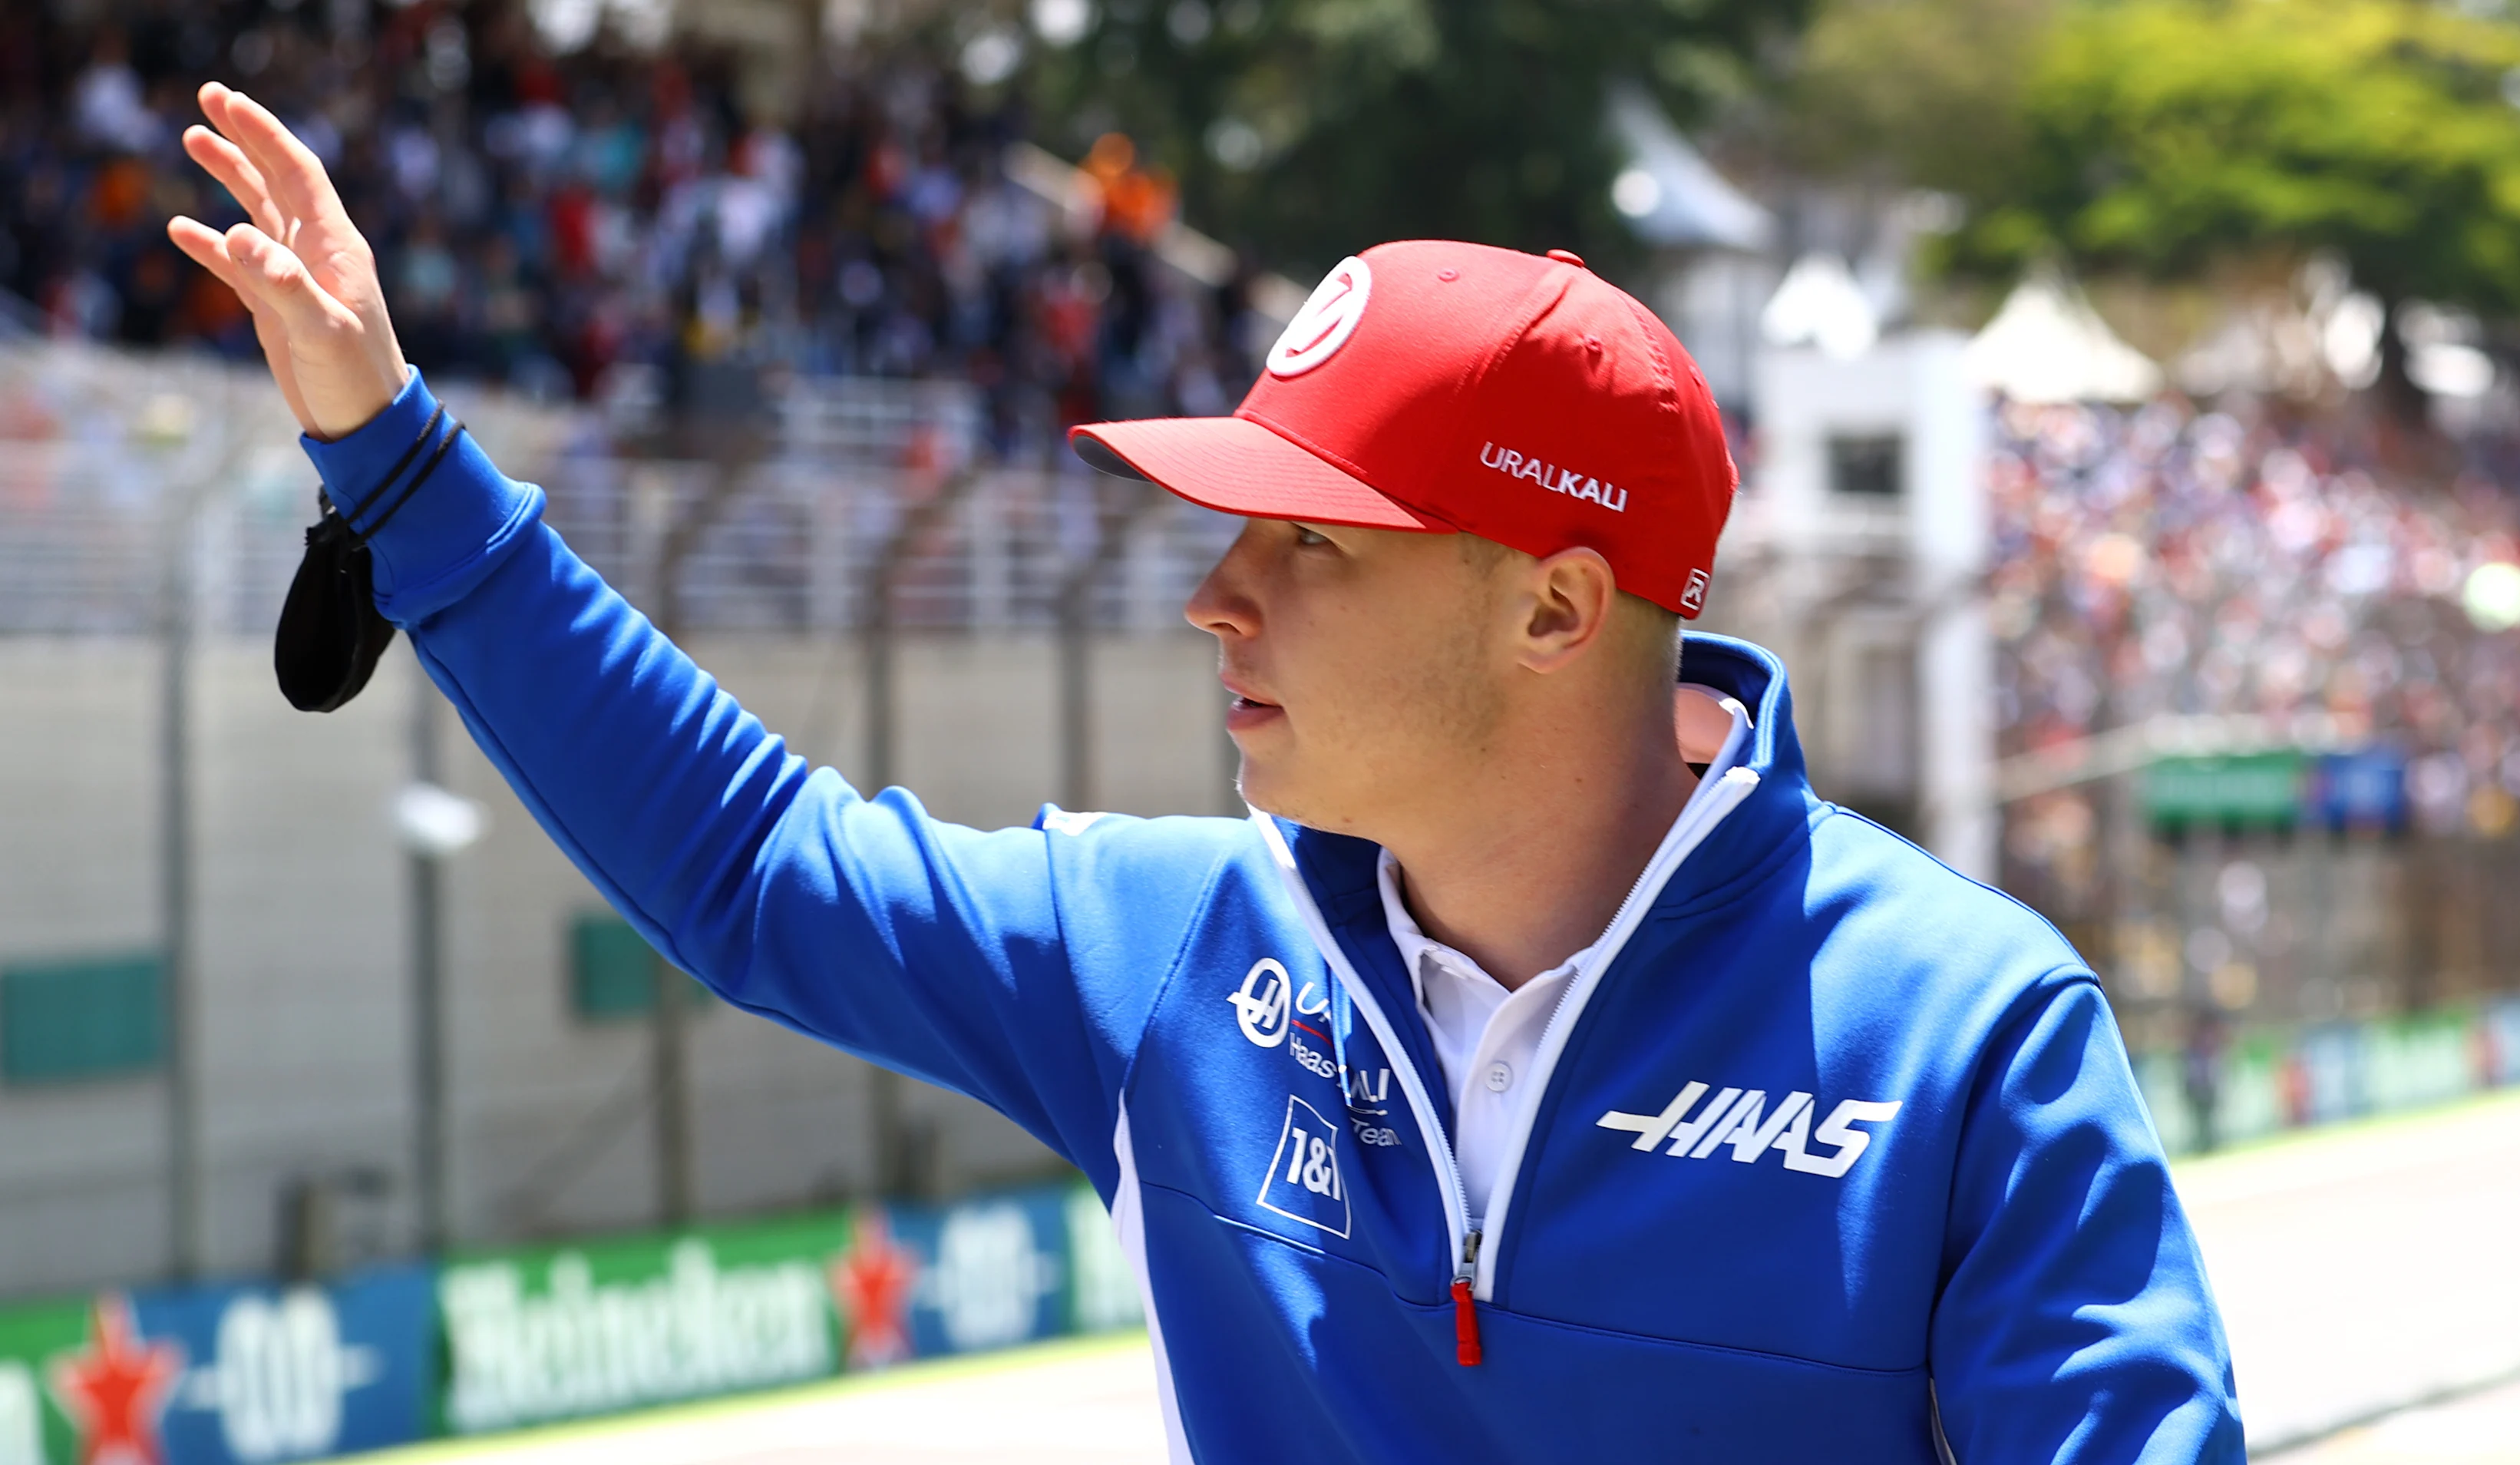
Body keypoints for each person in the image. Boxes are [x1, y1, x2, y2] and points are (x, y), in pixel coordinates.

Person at [169, 81, 2243, 1464]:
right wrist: (404, 470)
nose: (1216, 599)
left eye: (1308, 546)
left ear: (1552, 609)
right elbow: (754, 863)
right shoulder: (1173, 948)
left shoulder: (1969, 1035)